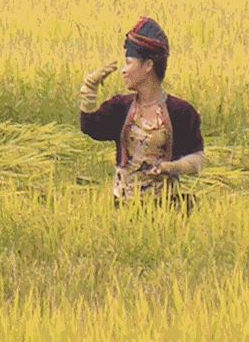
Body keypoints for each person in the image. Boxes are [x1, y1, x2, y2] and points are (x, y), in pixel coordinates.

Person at [78, 17, 206, 206]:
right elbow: (90, 128)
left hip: (166, 208)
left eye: (129, 63)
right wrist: (89, 89)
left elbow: (197, 160)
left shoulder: (181, 112)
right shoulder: (120, 107)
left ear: (148, 65)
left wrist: (171, 167)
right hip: (123, 207)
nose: (123, 71)